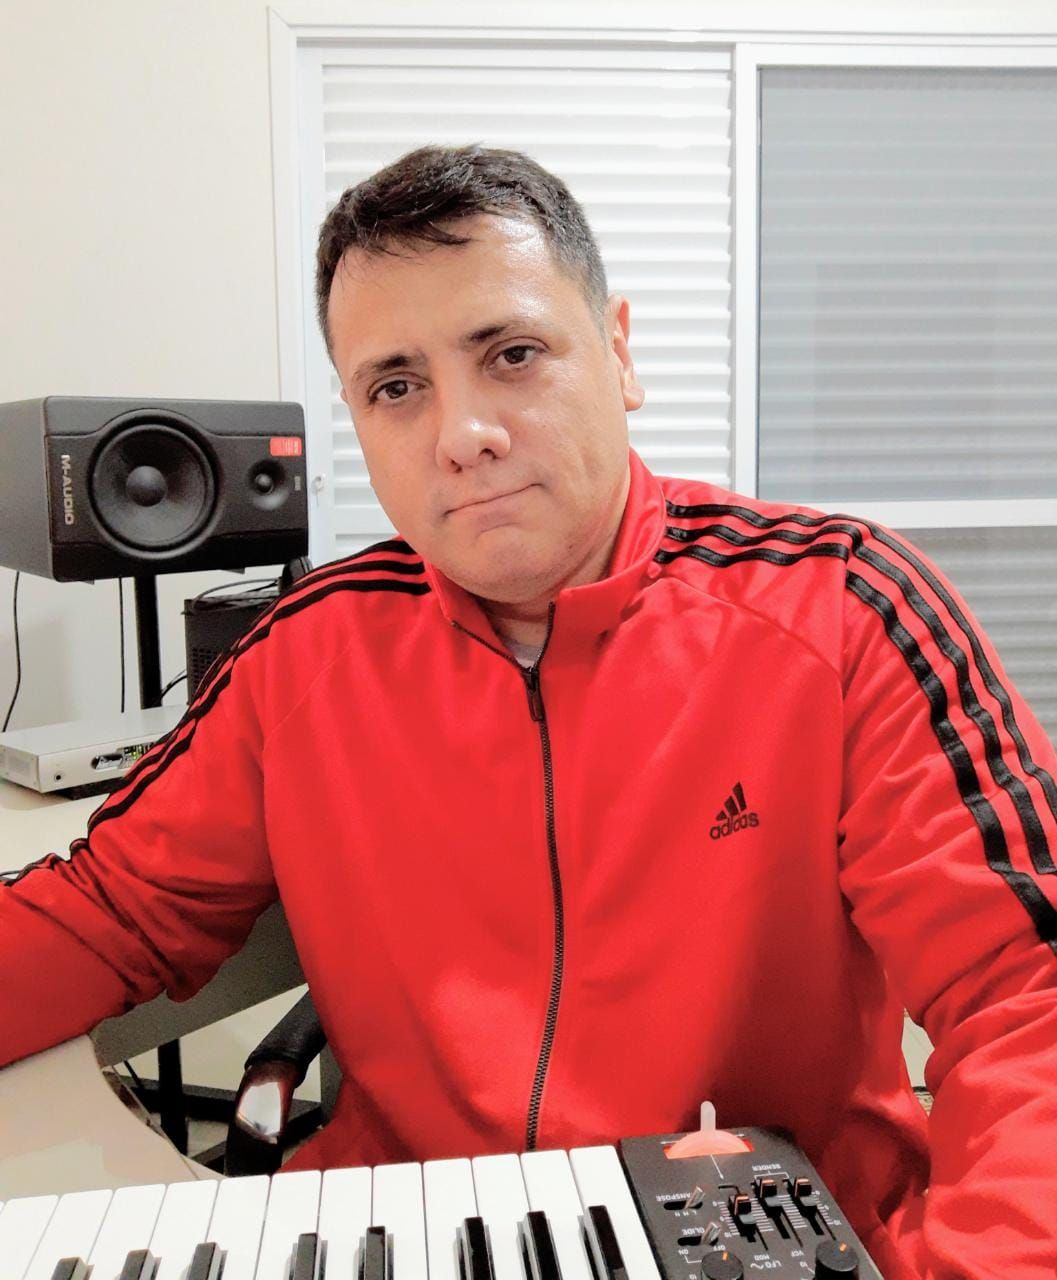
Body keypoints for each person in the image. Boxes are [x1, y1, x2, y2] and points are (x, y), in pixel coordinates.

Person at [2, 145, 1056, 1280]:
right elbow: (109, 909)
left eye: (511, 354)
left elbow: (1026, 994)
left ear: (618, 352)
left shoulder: (841, 610)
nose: (462, 434)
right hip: (411, 1232)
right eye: (395, 386)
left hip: (769, 1237)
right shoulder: (303, 653)